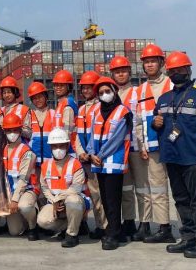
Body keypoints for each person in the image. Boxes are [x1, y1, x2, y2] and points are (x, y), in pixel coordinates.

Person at [154, 52, 196, 258]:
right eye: (172, 71)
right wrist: (154, 123)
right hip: (172, 156)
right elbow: (159, 123)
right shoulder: (165, 98)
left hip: (195, 157)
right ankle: (188, 238)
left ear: (189, 69)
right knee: (181, 200)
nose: (176, 73)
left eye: (180, 69)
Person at [131, 44, 176, 243]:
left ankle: (164, 227)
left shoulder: (171, 85)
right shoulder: (141, 90)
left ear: (161, 62)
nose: (149, 65)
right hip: (146, 148)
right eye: (146, 62)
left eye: (152, 61)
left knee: (158, 188)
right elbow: (138, 121)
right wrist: (141, 145)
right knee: (142, 189)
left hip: (165, 145)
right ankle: (145, 224)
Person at [86, 77, 132, 251]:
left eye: (107, 91)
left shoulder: (123, 112)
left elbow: (117, 139)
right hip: (98, 162)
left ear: (114, 91)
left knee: (113, 199)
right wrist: (91, 154)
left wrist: (100, 154)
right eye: (101, 93)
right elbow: (92, 135)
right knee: (105, 198)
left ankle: (112, 234)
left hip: (113, 162)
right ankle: (115, 230)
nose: (104, 95)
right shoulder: (96, 112)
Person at [37, 128, 88, 248]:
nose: (58, 149)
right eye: (55, 146)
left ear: (67, 145)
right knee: (42, 220)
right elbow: (44, 188)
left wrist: (58, 198)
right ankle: (76, 224)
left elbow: (76, 188)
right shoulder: (46, 166)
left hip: (75, 201)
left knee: (73, 201)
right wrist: (54, 201)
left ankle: (72, 235)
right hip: (55, 203)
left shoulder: (75, 164)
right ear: (50, 147)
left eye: (61, 146)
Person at [109, 55, 140, 239]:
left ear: (129, 72)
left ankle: (141, 223)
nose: (120, 74)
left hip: (136, 145)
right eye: (117, 72)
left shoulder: (138, 92)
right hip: (118, 149)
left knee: (142, 188)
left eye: (123, 71)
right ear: (112, 74)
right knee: (125, 188)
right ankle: (127, 221)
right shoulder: (108, 95)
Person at [74, 70, 107, 240]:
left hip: (99, 158)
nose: (86, 91)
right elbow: (78, 135)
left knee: (104, 194)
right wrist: (81, 153)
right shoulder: (81, 109)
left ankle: (108, 226)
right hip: (86, 159)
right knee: (94, 195)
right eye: (83, 88)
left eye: (89, 88)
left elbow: (102, 134)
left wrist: (93, 153)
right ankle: (101, 225)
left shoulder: (102, 107)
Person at [0, 114, 40, 240]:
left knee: (25, 207)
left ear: (20, 130)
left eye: (15, 130)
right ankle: (24, 221)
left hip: (27, 190)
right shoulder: (4, 149)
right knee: (14, 231)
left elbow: (24, 179)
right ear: (5, 131)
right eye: (9, 130)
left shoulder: (27, 151)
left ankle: (33, 225)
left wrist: (15, 200)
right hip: (10, 191)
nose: (12, 133)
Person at [26, 81, 56, 168]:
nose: (38, 100)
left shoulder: (53, 113)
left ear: (46, 97)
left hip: (51, 159)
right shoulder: (29, 115)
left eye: (40, 97)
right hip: (34, 160)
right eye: (34, 98)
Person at [52, 70, 78, 154]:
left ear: (68, 87)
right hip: (62, 148)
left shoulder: (67, 104)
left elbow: (68, 130)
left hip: (67, 149)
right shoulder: (62, 103)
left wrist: (63, 149)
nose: (58, 87)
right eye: (56, 85)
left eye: (61, 85)